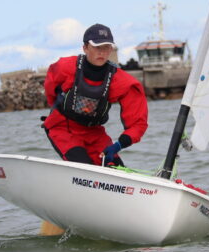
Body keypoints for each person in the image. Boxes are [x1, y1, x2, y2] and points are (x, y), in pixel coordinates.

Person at [42, 23, 148, 168]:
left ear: (111, 49)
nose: (102, 52)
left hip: (94, 133)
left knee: (117, 170)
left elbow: (138, 123)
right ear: (85, 48)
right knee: (85, 166)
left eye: (106, 47)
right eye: (97, 47)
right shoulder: (64, 67)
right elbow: (50, 89)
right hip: (63, 128)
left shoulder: (123, 82)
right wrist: (54, 111)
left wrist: (118, 145)